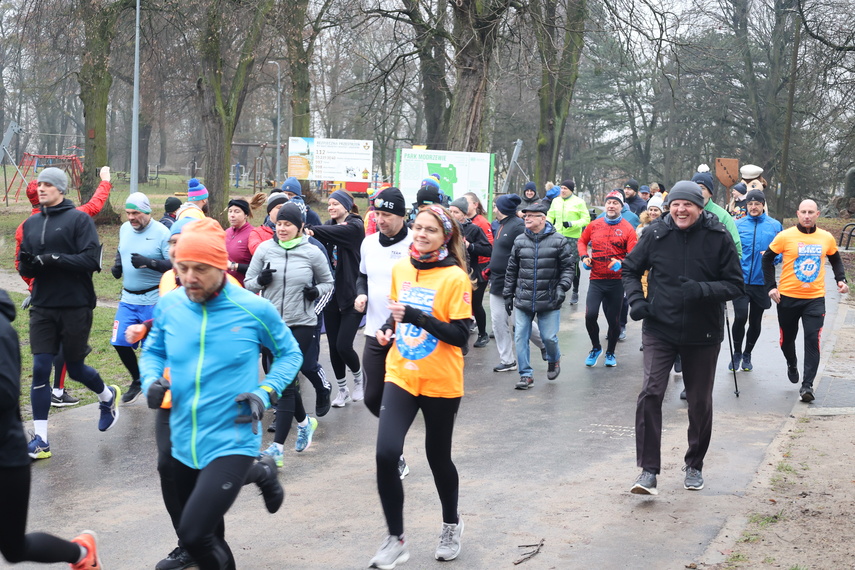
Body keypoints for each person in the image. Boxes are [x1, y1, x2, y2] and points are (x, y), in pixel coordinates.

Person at [140, 218, 303, 570]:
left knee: (194, 534)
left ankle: (259, 469)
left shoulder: (253, 308)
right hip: (184, 436)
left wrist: (265, 391)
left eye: (200, 268)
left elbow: (291, 354)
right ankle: (263, 473)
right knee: (207, 535)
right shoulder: (170, 306)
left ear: (221, 266)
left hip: (233, 436)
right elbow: (153, 351)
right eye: (182, 268)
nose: (190, 277)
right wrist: (151, 379)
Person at [622, 181, 743, 495]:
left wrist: (702, 290)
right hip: (660, 328)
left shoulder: (719, 238)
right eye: (675, 204)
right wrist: (637, 301)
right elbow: (630, 270)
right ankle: (648, 471)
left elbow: (734, 285)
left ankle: (694, 465)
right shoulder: (655, 235)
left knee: (699, 402)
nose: (680, 209)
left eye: (687, 204)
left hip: (703, 333)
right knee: (650, 392)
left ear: (700, 207)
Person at [369, 205, 472, 569]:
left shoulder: (455, 278)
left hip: (441, 379)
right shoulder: (402, 269)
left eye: (430, 230)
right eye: (417, 228)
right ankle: (395, 539)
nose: (421, 234)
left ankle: (451, 524)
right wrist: (387, 329)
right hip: (401, 373)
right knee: (385, 453)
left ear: (447, 237)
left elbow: (460, 335)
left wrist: (417, 317)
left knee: (437, 456)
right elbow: (395, 314)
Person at [18, 167, 121, 459]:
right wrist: (28, 265)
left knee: (74, 369)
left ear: (61, 189)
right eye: (39, 184)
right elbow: (27, 265)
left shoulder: (78, 219)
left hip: (76, 304)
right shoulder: (32, 223)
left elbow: (90, 261)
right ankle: (41, 440)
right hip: (43, 306)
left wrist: (53, 258)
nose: (41, 188)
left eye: (48, 184)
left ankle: (106, 395)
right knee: (40, 368)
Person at [0, 289, 103, 569]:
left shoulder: (1, 330)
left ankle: (82, 553)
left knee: (13, 547)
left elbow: (7, 394)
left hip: (6, 458)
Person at [246, 203, 334, 466]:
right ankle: (305, 423)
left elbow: (328, 283)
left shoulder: (312, 252)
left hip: (302, 324)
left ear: (299, 227)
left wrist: (314, 293)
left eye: (288, 224)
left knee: (283, 384)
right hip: (273, 324)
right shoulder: (265, 249)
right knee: (283, 383)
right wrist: (260, 281)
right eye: (279, 224)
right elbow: (248, 283)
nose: (282, 228)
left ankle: (277, 448)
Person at [763, 199, 848, 403]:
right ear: (798, 213)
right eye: (804, 212)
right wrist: (771, 287)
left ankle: (807, 386)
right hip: (788, 298)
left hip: (814, 299)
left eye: (811, 212)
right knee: (787, 340)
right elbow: (766, 259)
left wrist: (841, 280)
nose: (807, 215)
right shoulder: (785, 236)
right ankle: (792, 363)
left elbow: (835, 258)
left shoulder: (825, 238)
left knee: (812, 340)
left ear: (818, 214)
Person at [355, 187, 413, 480]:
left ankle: (396, 452)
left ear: (401, 215)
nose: (380, 219)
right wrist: (361, 294)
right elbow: (362, 275)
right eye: (377, 213)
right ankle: (395, 433)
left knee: (396, 396)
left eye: (387, 214)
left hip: (407, 334)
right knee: (371, 396)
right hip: (374, 331)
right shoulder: (368, 244)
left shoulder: (415, 244)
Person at [504, 202, 573, 390]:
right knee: (520, 336)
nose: (527, 218)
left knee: (549, 337)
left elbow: (568, 268)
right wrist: (508, 294)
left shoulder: (559, 241)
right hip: (523, 298)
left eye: (532, 215)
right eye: (525, 215)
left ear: (542, 219)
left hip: (550, 297)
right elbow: (511, 270)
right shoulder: (519, 241)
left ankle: (554, 359)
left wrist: (562, 288)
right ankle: (526, 375)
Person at [305, 189, 365, 407]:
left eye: (335, 204)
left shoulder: (356, 226)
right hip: (331, 296)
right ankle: (342, 390)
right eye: (329, 204)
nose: (331, 207)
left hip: (352, 296)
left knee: (343, 345)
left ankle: (359, 378)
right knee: (333, 346)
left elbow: (334, 233)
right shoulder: (328, 226)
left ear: (346, 206)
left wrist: (312, 230)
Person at [110, 192, 171, 404]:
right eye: (128, 213)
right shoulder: (125, 228)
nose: (131, 217)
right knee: (119, 341)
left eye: (135, 213)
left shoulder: (163, 232)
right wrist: (117, 265)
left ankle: (159, 388)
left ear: (147, 211)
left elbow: (174, 265)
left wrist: (149, 262)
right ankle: (137, 380)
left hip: (153, 298)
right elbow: (122, 249)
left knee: (152, 348)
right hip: (128, 299)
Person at [487, 194, 546, 373]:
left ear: (503, 208)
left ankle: (545, 345)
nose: (494, 209)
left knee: (519, 322)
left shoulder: (518, 226)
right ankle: (507, 360)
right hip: (496, 281)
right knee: (498, 322)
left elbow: (526, 252)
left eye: (496, 206)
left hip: (512, 282)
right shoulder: (500, 224)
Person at [578, 191, 637, 368]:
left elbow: (634, 255)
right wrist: (584, 257)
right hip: (596, 279)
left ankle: (610, 352)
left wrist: (622, 263)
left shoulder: (628, 228)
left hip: (616, 282)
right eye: (609, 203)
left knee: (614, 320)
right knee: (590, 315)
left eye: (615, 203)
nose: (611, 206)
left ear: (621, 207)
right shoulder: (594, 225)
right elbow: (581, 241)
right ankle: (596, 348)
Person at [731, 190, 782, 372]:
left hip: (762, 281)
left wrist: (772, 257)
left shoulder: (775, 226)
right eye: (750, 204)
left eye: (757, 204)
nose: (753, 207)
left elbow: (781, 251)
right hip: (741, 280)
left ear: (763, 205)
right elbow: (730, 249)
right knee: (740, 316)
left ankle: (747, 354)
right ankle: (736, 353)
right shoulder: (737, 225)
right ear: (746, 206)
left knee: (755, 320)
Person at [449, 196, 492, 348]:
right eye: (450, 211)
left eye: (456, 212)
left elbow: (488, 250)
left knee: (475, 304)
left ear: (464, 214)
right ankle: (461, 338)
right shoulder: (447, 228)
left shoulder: (474, 229)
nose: (452, 214)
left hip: (474, 273)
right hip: (454, 273)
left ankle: (483, 334)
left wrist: (469, 246)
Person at [546, 179, 588, 304]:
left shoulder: (579, 202)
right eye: (561, 188)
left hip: (573, 237)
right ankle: (557, 289)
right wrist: (547, 225)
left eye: (565, 189)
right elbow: (550, 215)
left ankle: (575, 290)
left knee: (573, 264)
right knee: (555, 263)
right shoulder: (556, 201)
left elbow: (586, 219)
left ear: (571, 190)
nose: (563, 191)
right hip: (557, 236)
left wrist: (572, 224)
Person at [692, 168, 742, 257]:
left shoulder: (723, 216)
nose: (698, 191)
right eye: (694, 187)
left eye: (702, 188)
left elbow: (736, 250)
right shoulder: (684, 213)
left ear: (710, 193)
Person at [225, 197, 254, 285]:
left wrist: (233, 266)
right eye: (230, 211)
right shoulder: (226, 232)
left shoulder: (253, 234)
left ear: (246, 214)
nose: (232, 215)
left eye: (237, 212)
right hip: (225, 287)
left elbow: (258, 268)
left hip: (243, 288)